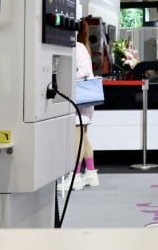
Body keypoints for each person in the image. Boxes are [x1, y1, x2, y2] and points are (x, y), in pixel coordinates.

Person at [59, 20, 101, 191]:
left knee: (77, 137)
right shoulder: (80, 46)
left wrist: (63, 74)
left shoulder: (77, 47)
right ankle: (90, 173)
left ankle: (75, 175)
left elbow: (82, 72)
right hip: (82, 100)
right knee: (83, 137)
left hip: (81, 99)